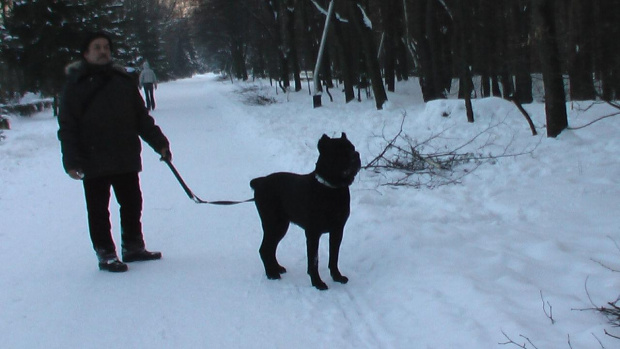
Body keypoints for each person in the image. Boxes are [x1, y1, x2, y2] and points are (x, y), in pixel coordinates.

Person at [57, 32, 172, 272]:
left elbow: (141, 117)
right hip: (93, 157)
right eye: (97, 47)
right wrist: (71, 160)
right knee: (99, 209)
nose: (103, 51)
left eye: (106, 47)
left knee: (132, 203)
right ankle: (106, 253)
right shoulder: (74, 85)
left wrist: (160, 142)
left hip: (125, 155)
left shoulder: (123, 80)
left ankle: (133, 246)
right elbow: (67, 126)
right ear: (86, 53)